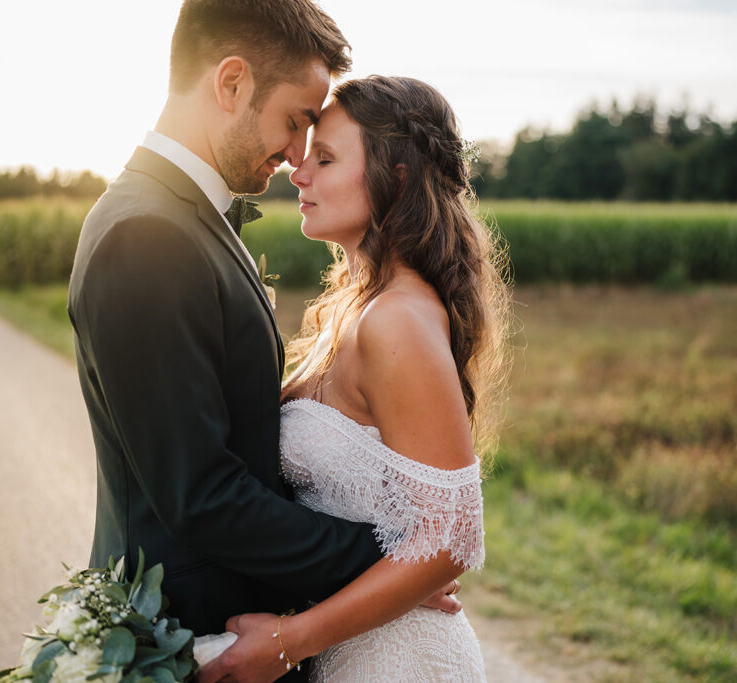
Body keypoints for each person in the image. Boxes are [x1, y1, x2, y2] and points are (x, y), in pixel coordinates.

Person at [68, 2, 459, 681]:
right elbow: (204, 493)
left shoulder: (186, 221)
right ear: (231, 84)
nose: (296, 155)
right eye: (297, 121)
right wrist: (392, 566)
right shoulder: (147, 234)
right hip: (181, 633)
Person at [197, 75, 510, 681]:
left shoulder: (396, 321)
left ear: (394, 177)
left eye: (326, 157)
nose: (298, 173)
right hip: (355, 647)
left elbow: (449, 542)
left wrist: (289, 640)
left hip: (401, 660)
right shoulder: (359, 307)